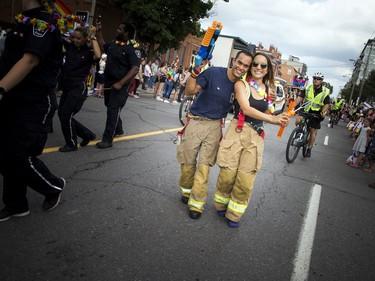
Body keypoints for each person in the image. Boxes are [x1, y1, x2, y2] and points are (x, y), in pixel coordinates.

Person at [0, 0, 65, 221]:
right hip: (13, 98)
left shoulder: (43, 23)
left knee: (19, 155)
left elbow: (29, 60)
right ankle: (16, 204)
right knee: (5, 154)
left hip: (33, 101)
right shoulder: (23, 21)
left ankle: (53, 186)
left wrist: (0, 88)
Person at [213, 53, 289, 228]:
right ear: (251, 66)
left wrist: (277, 109)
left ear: (267, 69)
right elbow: (246, 109)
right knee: (227, 175)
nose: (258, 68)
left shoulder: (267, 90)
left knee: (245, 180)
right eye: (255, 64)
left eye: (263, 66)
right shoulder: (241, 84)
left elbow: (270, 112)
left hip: (255, 136)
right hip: (238, 131)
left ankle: (234, 213)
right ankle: (221, 203)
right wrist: (273, 120)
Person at [176, 50, 253, 220]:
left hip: (214, 126)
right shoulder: (213, 72)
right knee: (187, 163)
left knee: (204, 166)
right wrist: (196, 71)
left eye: (245, 66)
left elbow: (253, 102)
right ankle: (186, 190)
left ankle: (197, 204)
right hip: (195, 121)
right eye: (239, 62)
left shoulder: (241, 86)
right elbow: (189, 91)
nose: (241, 67)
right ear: (234, 60)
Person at [95, 19, 141, 149]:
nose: (117, 30)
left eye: (120, 29)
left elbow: (135, 69)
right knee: (109, 106)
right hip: (109, 82)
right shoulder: (114, 44)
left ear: (126, 33)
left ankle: (107, 139)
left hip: (121, 84)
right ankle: (118, 128)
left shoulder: (133, 49)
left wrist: (120, 83)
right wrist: (99, 32)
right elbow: (102, 45)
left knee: (113, 110)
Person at [58, 26, 101, 152]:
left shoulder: (88, 52)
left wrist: (93, 36)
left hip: (78, 87)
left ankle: (71, 144)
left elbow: (98, 55)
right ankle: (87, 135)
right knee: (62, 115)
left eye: (79, 38)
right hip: (67, 86)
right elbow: (58, 35)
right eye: (74, 37)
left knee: (66, 114)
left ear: (85, 39)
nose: (75, 40)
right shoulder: (70, 47)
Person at [294, 72, 330, 157]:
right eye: (314, 78)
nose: (316, 80)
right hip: (306, 109)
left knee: (313, 130)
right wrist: (291, 108)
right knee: (298, 120)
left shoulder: (325, 91)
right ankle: (299, 132)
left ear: (321, 81)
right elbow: (299, 98)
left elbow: (326, 104)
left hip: (317, 112)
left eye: (318, 79)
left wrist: (323, 112)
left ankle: (309, 148)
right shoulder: (308, 88)